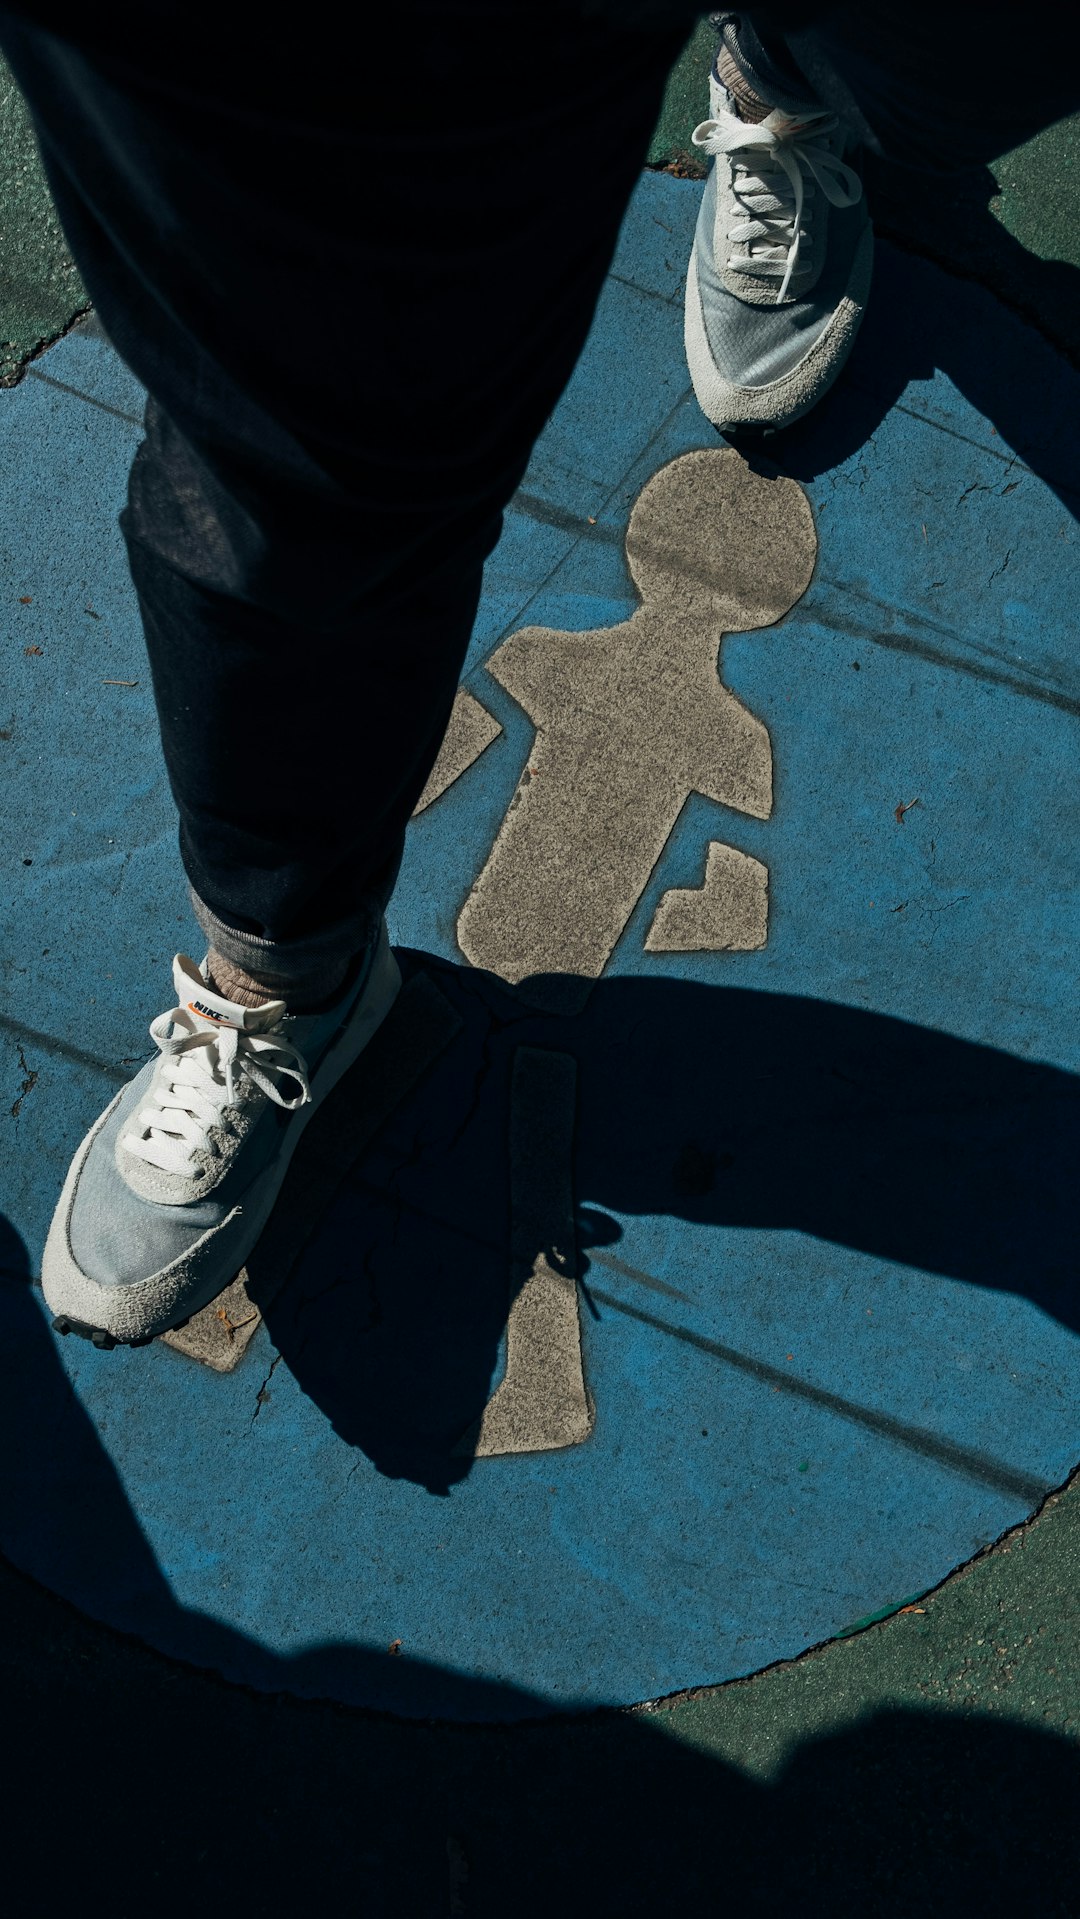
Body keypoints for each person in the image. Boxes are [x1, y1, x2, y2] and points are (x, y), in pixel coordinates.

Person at [2, 4, 1073, 1345]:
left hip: (570, 896)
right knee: (299, 411)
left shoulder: (720, 723)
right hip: (530, 890)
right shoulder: (605, 669)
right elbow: (516, 718)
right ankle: (287, 963)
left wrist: (712, 905)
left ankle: (802, 77)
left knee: (976, 50)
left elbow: (721, 839)